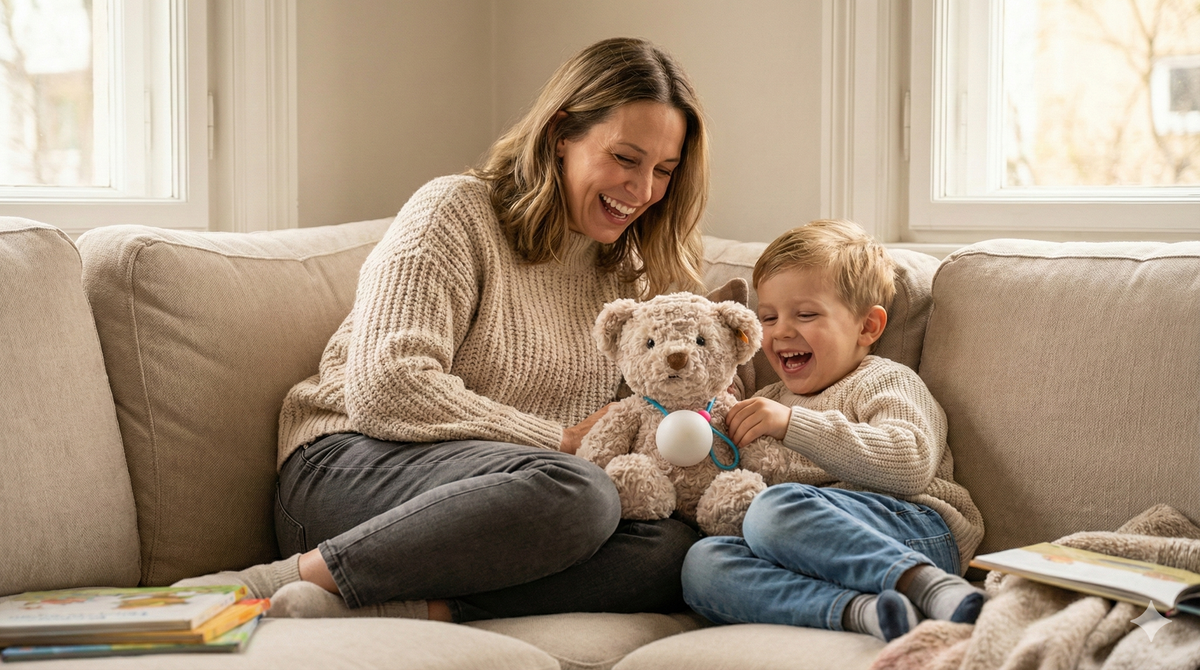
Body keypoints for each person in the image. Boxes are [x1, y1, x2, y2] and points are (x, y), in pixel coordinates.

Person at [175, 37, 710, 623]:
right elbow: (387, 386)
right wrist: (559, 441)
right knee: (578, 493)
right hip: (354, 465)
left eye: (664, 170)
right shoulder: (456, 210)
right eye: (626, 159)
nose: (644, 191)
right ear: (561, 135)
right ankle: (274, 580)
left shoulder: (633, 280)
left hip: (510, 499)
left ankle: (409, 605)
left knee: (676, 551)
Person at [680, 219, 987, 642]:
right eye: (768, 317)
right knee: (702, 563)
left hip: (914, 528)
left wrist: (793, 424)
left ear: (867, 327)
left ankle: (927, 584)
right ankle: (866, 613)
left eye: (806, 314)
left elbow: (910, 461)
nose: (782, 330)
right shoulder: (771, 397)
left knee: (772, 510)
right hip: (814, 553)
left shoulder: (881, 379)